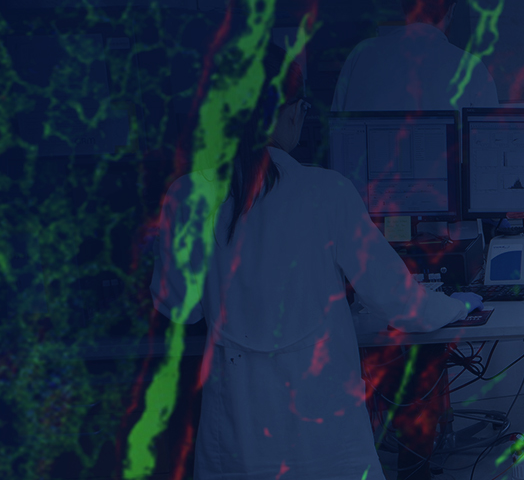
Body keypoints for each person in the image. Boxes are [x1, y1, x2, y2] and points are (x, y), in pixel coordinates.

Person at [151, 44, 479, 479]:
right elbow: (402, 304)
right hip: (326, 443)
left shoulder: (187, 197)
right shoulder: (327, 192)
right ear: (288, 113)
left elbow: (179, 307)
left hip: (238, 442)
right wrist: (460, 304)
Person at [331, 0, 499, 111]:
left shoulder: (360, 55)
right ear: (451, 9)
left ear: (403, 4)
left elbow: (335, 134)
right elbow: (489, 142)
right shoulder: (474, 71)